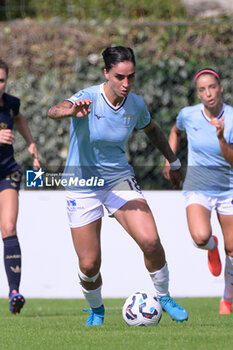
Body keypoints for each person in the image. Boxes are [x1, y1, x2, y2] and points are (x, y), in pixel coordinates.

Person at [48, 46, 188, 326]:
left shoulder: (135, 104)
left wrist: (172, 160)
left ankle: (163, 296)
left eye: (131, 77)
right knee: (89, 265)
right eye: (119, 77)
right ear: (106, 74)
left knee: (150, 240)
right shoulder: (87, 97)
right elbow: (54, 110)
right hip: (82, 183)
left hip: (117, 179)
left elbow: (152, 130)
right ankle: (97, 309)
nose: (126, 83)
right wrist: (71, 111)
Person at [163, 68, 233, 315]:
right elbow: (175, 131)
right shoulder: (188, 115)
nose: (208, 93)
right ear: (198, 93)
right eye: (202, 90)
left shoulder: (232, 118)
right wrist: (170, 160)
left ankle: (227, 298)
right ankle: (211, 247)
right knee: (201, 237)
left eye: (212, 87)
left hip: (228, 189)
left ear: (221, 87)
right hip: (198, 186)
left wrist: (222, 138)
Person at [0, 59, 40, 314]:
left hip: (7, 173)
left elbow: (20, 118)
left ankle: (14, 293)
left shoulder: (11, 103)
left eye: (2, 80)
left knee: (8, 227)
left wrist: (31, 145)